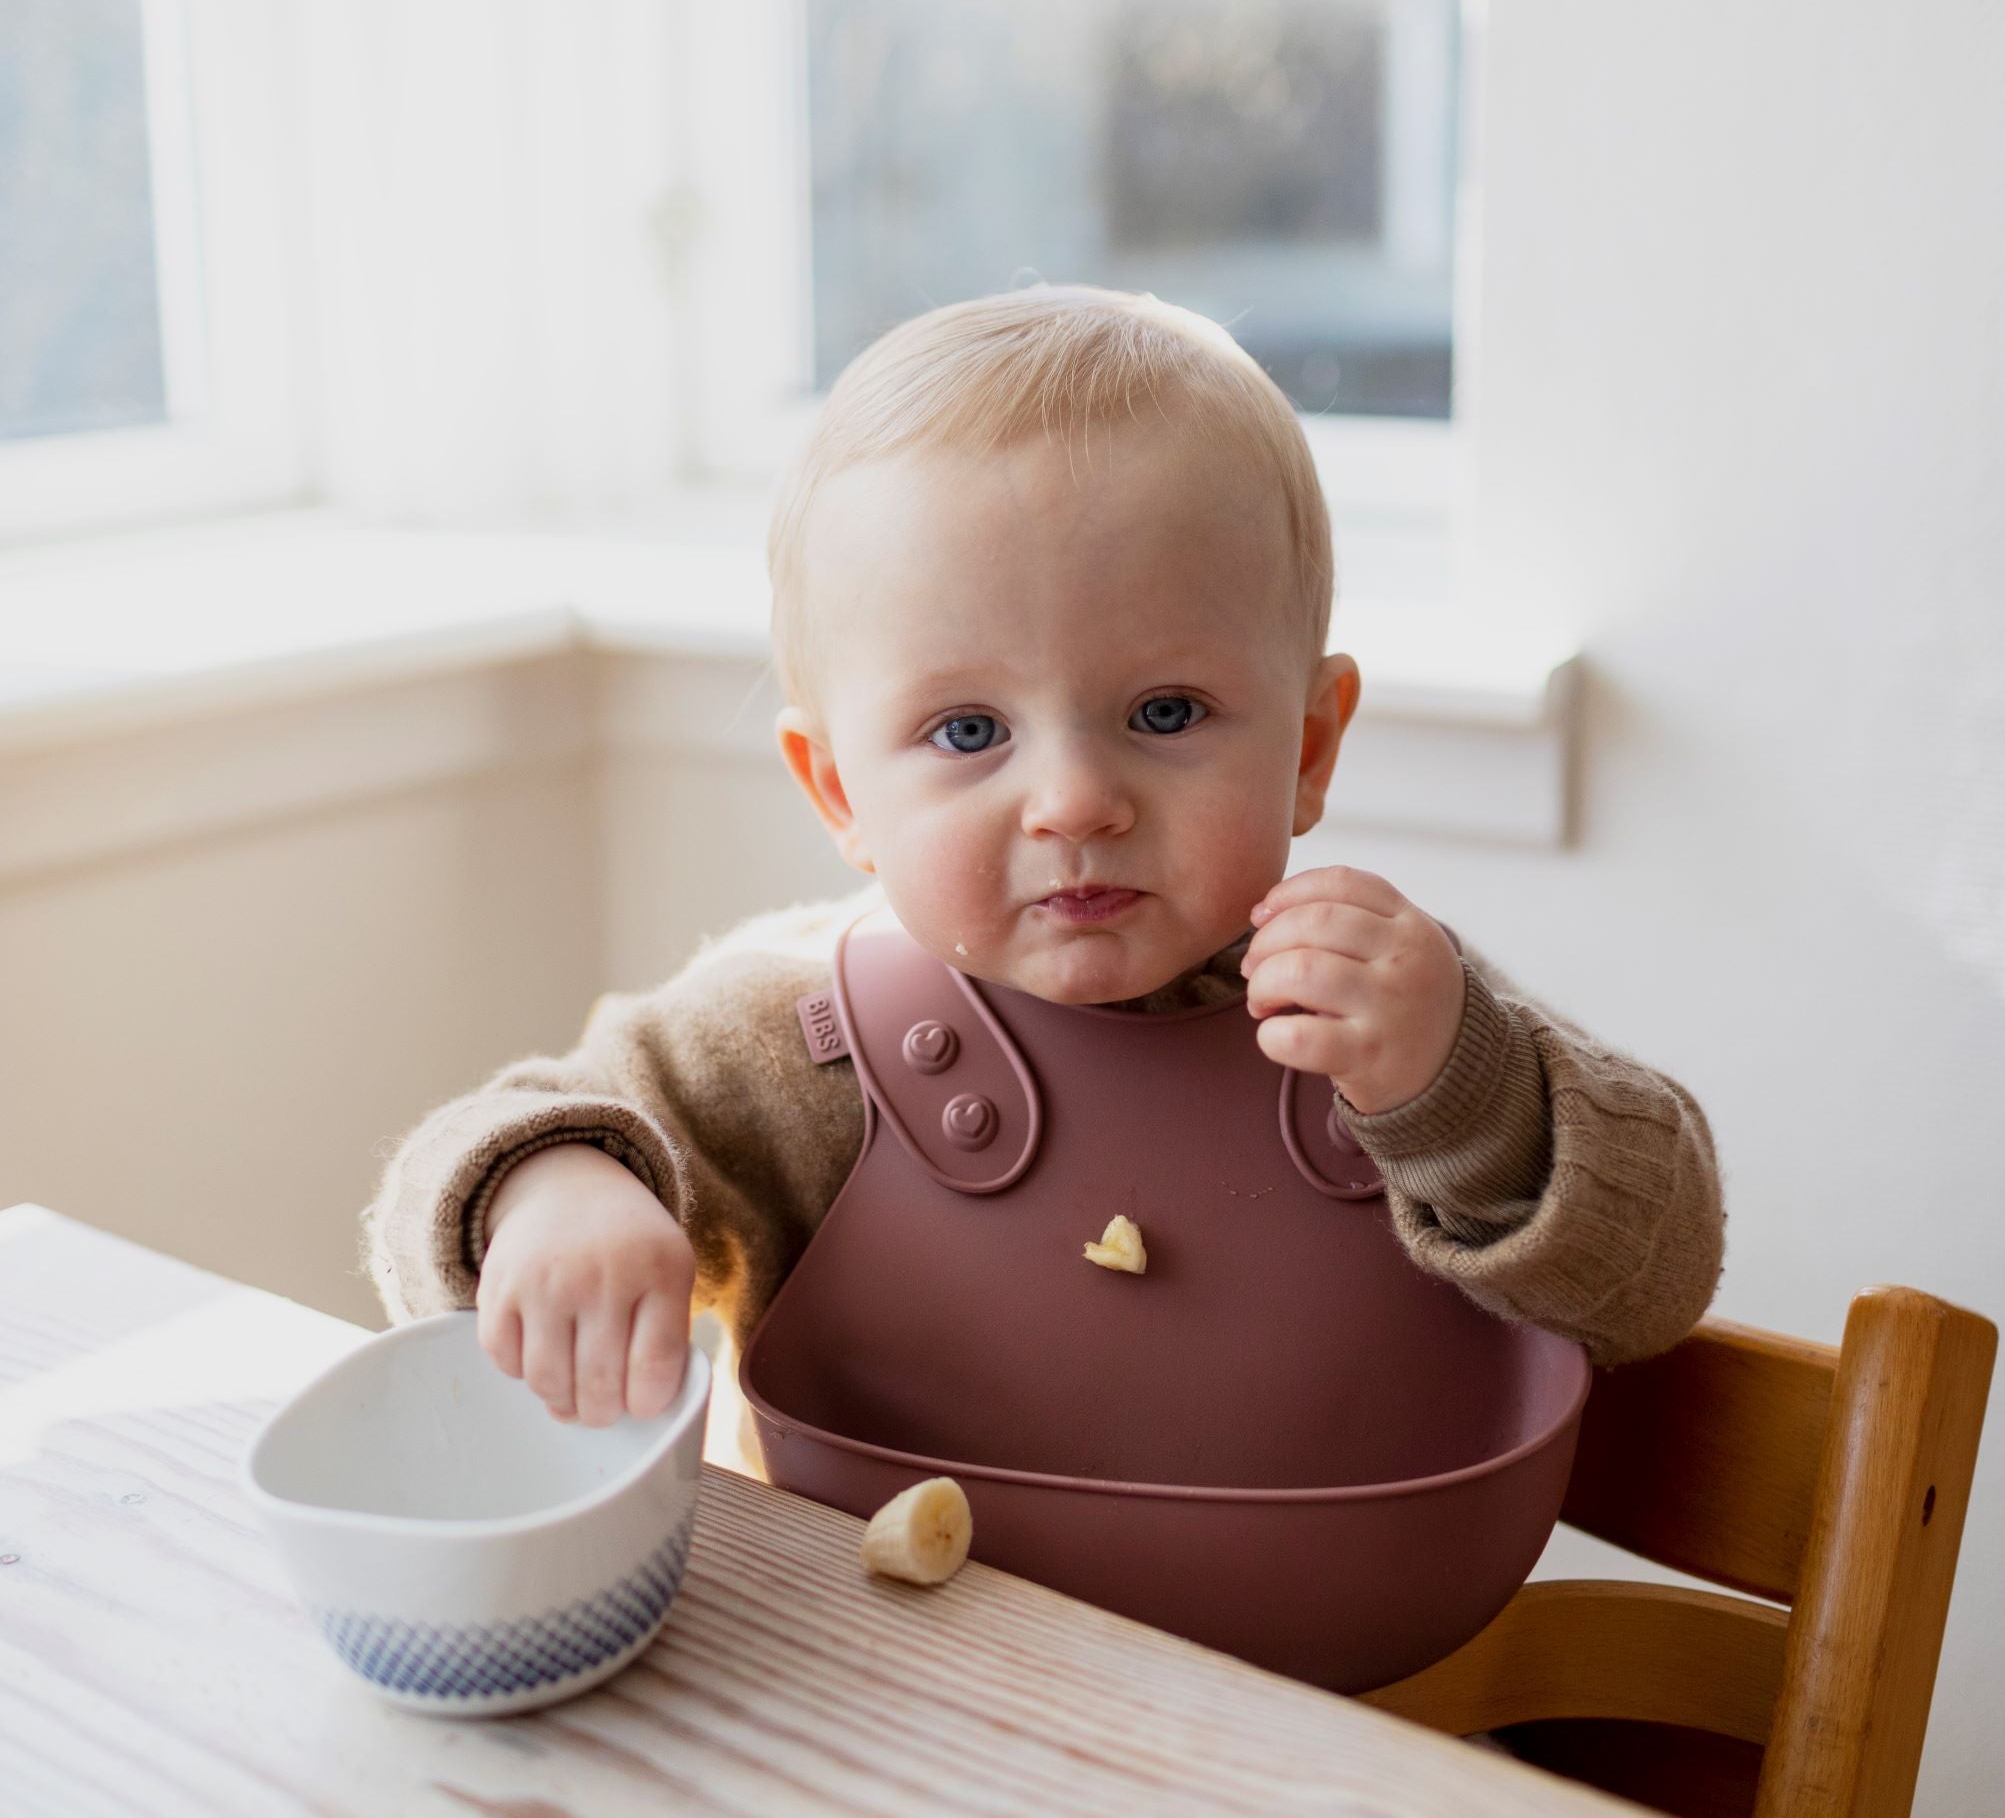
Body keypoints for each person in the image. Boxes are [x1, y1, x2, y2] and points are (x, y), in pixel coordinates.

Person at [362, 285, 1724, 1460]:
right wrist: (550, 1194)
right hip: (885, 1720)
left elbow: (1656, 1282)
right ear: (841, 790)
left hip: (1345, 1724)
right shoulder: (789, 1042)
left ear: (1310, 746)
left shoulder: (1385, 1013)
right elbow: (474, 1155)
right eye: (968, 732)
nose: (1075, 801)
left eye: (1167, 713)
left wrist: (1463, 1098)